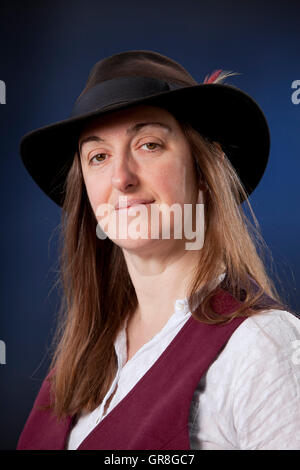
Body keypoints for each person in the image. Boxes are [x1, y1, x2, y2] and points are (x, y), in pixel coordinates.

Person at [17, 50, 300, 450]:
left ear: (204, 171)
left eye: (149, 145)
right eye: (98, 156)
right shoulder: (76, 367)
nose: (121, 178)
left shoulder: (263, 346)